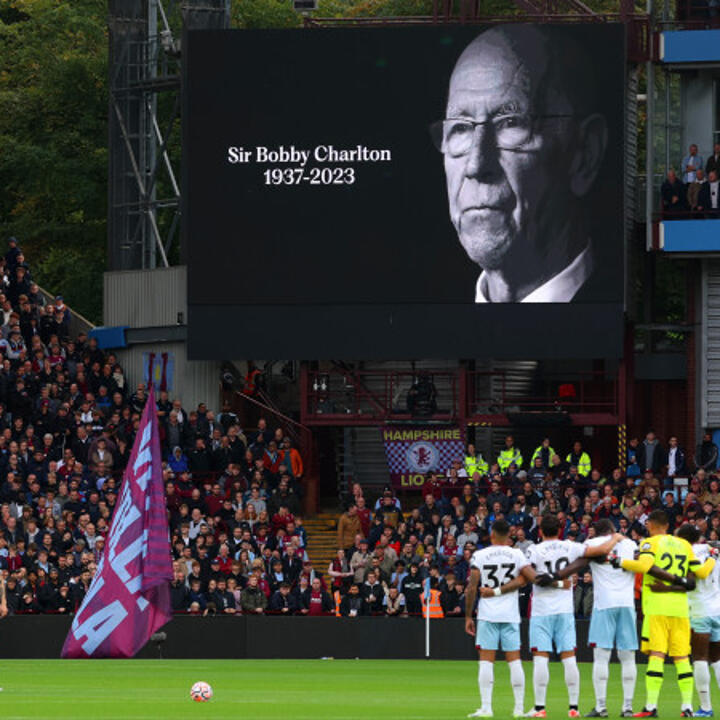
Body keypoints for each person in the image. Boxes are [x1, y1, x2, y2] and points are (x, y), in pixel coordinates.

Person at [432, 25, 609, 303]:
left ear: (585, 153)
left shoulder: (608, 303)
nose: (476, 165)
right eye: (461, 129)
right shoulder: (425, 315)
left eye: (511, 123)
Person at [612, 509, 715, 717]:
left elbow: (644, 566)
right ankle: (686, 706)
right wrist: (712, 558)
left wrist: (619, 561)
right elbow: (702, 572)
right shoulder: (685, 545)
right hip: (681, 609)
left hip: (658, 607)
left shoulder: (649, 543)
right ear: (667, 525)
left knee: (657, 654)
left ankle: (651, 706)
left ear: (650, 524)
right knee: (682, 657)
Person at [525, 514, 622, 718]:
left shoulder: (534, 549)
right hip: (565, 609)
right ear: (560, 530)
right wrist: (615, 538)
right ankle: (574, 708)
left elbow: (529, 574)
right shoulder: (570, 546)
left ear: (540, 531)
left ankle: (540, 708)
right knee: (569, 657)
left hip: (542, 609)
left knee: (541, 657)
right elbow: (602, 550)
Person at [554, 519, 638, 717]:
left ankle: (601, 707)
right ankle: (627, 707)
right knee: (628, 657)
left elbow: (579, 562)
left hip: (604, 604)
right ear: (612, 529)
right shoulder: (630, 544)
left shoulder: (592, 544)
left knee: (602, 656)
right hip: (627, 604)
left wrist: (558, 575)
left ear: (596, 532)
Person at [465, 519, 536, 718]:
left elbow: (472, 587)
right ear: (509, 535)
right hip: (510, 613)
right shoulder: (516, 554)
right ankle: (519, 709)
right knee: (514, 660)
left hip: (488, 614)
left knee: (486, 661)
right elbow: (525, 579)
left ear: (492, 534)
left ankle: (486, 707)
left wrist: (468, 616)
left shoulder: (480, 555)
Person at [675, 523, 720, 717]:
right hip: (717, 609)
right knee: (717, 659)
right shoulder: (711, 551)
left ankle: (706, 707)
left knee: (700, 659)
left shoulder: (686, 554)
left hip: (699, 611)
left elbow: (690, 582)